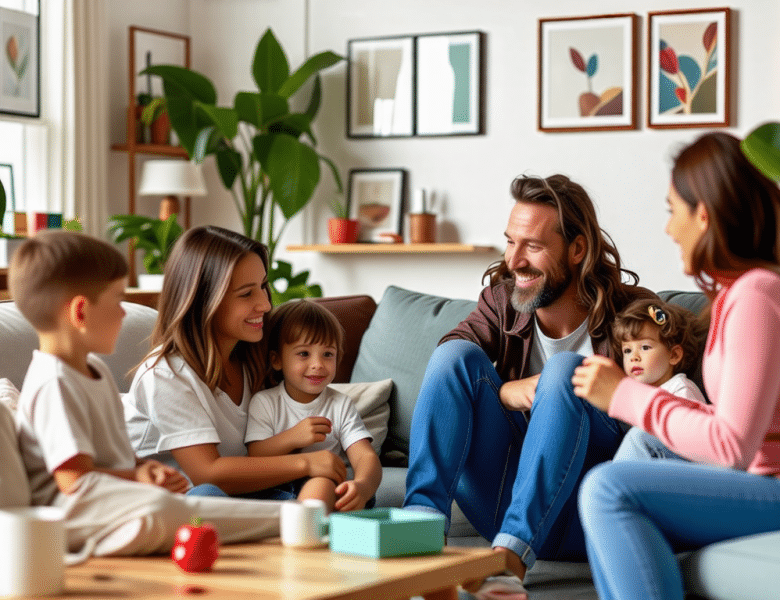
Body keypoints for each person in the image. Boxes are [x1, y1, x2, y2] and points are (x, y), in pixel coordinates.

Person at [402, 173, 657, 590]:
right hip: (501, 498)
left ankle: (510, 560)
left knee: (564, 372)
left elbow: (679, 414)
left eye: (533, 247)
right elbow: (454, 359)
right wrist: (507, 391)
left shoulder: (635, 314)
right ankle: (416, 534)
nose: (514, 260)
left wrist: (568, 389)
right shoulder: (501, 302)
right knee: (454, 356)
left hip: (587, 508)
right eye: (510, 242)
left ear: (577, 250)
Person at [573, 131, 780, 600]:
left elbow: (732, 447)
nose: (668, 228)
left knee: (607, 488)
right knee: (640, 447)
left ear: (702, 214)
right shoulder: (736, 295)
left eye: (672, 210)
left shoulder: (757, 295)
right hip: (760, 481)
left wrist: (627, 396)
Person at [11, 230, 279, 559]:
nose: (126, 313)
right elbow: (73, 480)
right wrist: (137, 476)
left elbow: (118, 456)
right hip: (74, 515)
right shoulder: (54, 382)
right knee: (174, 508)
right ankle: (289, 520)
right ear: (81, 312)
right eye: (117, 300)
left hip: (116, 498)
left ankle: (286, 519)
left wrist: (144, 467)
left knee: (186, 507)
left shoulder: (93, 369)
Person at [123, 226, 347, 498]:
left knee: (331, 488)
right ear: (203, 301)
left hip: (245, 494)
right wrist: (306, 463)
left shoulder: (255, 356)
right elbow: (208, 474)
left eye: (263, 287)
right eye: (246, 293)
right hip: (186, 501)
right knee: (208, 494)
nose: (265, 304)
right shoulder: (165, 374)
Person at [245, 299, 381, 512]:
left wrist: (363, 487)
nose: (318, 364)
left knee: (321, 484)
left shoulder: (340, 404)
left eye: (328, 354)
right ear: (277, 360)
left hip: (323, 488)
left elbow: (365, 456)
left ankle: (304, 534)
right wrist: (293, 436)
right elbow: (256, 454)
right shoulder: (265, 402)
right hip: (273, 488)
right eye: (304, 353)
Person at [610, 298, 706, 461]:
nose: (634, 357)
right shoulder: (635, 395)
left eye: (645, 347)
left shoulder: (681, 388)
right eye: (627, 350)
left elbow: (694, 440)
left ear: (674, 355)